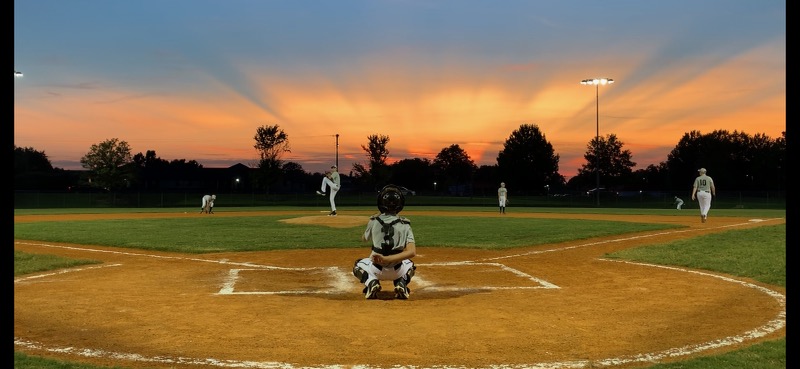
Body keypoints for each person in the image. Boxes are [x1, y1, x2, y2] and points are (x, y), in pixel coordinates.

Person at [352, 185, 417, 300]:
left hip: (376, 269)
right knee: (410, 264)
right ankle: (401, 282)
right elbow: (412, 252)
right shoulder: (405, 225)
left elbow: (364, 239)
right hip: (397, 270)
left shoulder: (373, 221)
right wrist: (388, 259)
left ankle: (371, 282)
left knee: (357, 264)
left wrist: (374, 220)